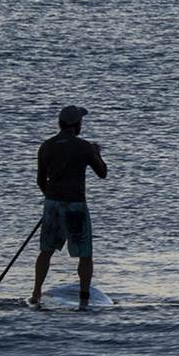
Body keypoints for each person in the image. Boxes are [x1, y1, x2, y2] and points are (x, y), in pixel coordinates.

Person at [31, 104, 107, 309]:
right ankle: (84, 297)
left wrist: (52, 198)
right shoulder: (84, 147)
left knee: (46, 251)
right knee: (85, 254)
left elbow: (40, 181)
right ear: (77, 124)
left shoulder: (46, 146)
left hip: (52, 204)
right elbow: (102, 172)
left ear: (60, 124)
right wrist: (97, 153)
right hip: (75, 206)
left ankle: (36, 293)